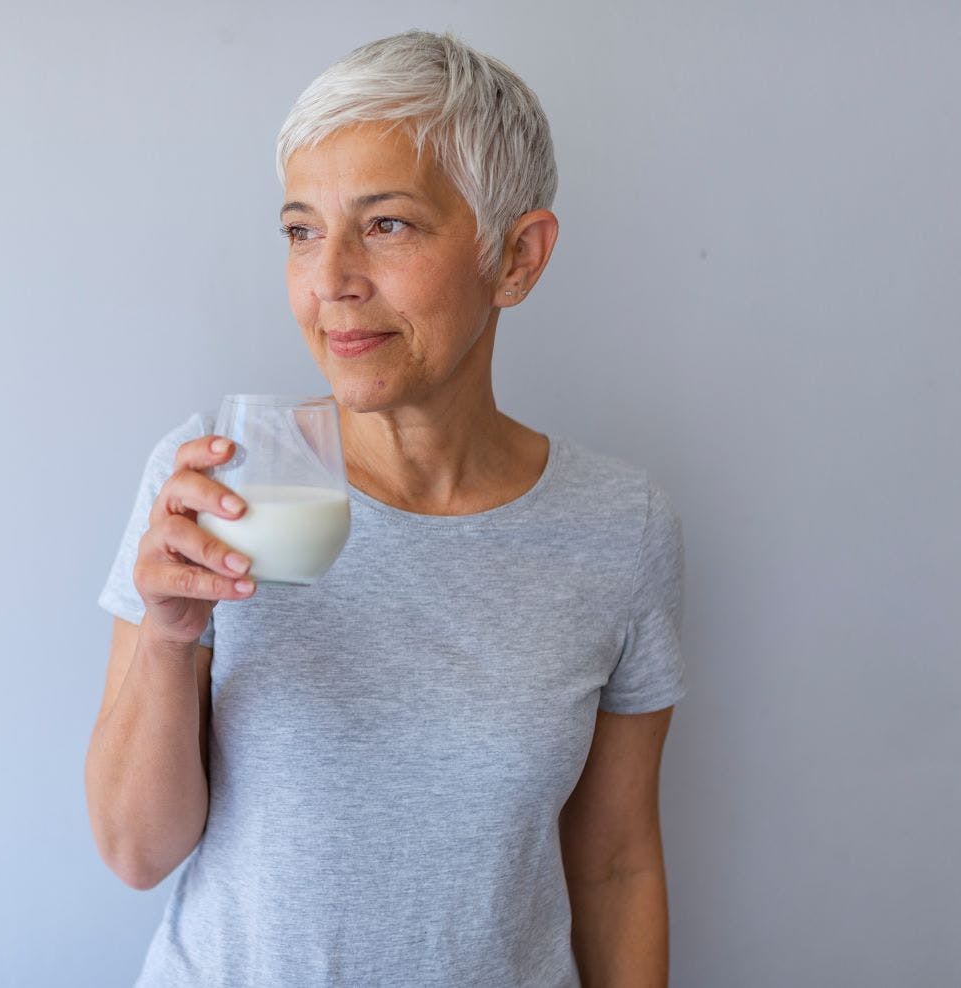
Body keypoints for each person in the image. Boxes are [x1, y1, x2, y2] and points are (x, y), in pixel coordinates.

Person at [85, 29, 685, 987]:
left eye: (389, 225)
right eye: (302, 230)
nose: (330, 284)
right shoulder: (217, 481)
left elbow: (614, 865)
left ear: (517, 259)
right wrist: (168, 635)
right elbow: (134, 852)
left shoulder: (622, 527)